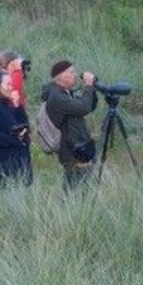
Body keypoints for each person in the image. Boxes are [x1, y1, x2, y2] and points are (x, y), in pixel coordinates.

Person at [41, 60, 98, 191]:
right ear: (61, 76)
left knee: (82, 185)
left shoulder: (66, 93)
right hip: (69, 148)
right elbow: (83, 108)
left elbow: (88, 106)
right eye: (72, 72)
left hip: (77, 145)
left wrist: (92, 89)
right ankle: (69, 209)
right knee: (74, 187)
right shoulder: (56, 97)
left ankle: (75, 208)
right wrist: (88, 86)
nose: (76, 75)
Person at [0, 71, 32, 187]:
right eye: (8, 84)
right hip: (7, 163)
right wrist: (16, 140)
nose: (11, 88)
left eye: (12, 84)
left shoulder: (7, 106)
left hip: (20, 161)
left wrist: (18, 106)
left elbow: (25, 125)